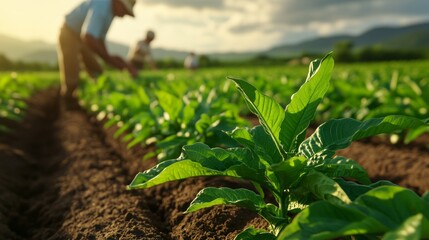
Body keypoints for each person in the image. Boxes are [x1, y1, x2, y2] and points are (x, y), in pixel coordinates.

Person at [57, 0, 138, 107]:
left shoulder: (110, 13)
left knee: (97, 72)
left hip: (83, 36)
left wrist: (113, 59)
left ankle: (94, 100)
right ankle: (67, 104)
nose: (123, 16)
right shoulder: (102, 6)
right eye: (125, 11)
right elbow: (89, 38)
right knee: (72, 75)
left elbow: (99, 40)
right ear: (118, 2)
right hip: (70, 32)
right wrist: (110, 59)